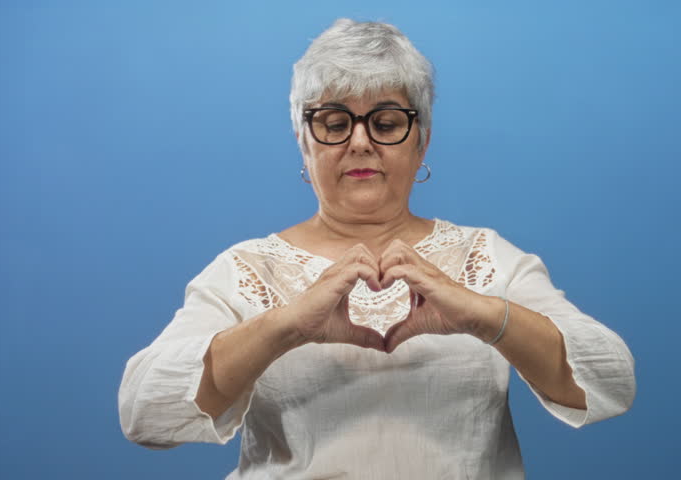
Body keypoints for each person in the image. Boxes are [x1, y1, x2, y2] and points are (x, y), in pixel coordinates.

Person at [118, 18, 636, 479]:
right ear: (303, 140)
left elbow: (611, 381)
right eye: (334, 123)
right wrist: (287, 326)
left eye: (386, 123)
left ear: (422, 141)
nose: (361, 142)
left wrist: (481, 315)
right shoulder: (247, 269)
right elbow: (144, 412)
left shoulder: (487, 257)